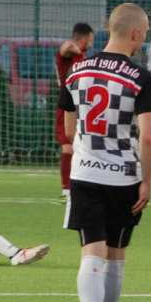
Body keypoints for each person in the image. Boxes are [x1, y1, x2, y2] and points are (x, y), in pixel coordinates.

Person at [59, 2, 151, 302]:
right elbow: (147, 137)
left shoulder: (76, 72)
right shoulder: (141, 78)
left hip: (85, 175)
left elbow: (69, 130)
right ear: (134, 34)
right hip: (125, 178)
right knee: (116, 256)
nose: (144, 39)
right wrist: (146, 181)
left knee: (92, 252)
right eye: (145, 33)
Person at [55, 22, 94, 198]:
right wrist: (77, 49)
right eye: (91, 39)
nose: (92, 43)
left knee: (81, 146)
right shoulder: (70, 52)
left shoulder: (83, 56)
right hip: (68, 104)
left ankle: (79, 185)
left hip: (83, 104)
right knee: (68, 146)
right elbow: (65, 47)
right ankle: (66, 189)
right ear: (84, 38)